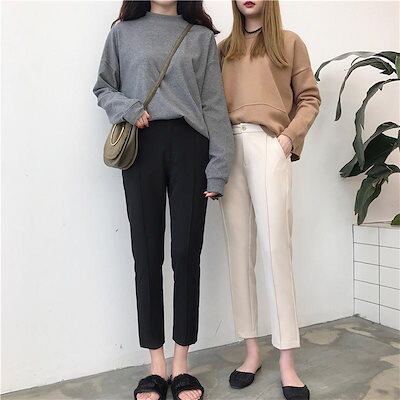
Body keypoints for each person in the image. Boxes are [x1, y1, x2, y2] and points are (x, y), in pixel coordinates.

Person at [93, 1, 234, 399]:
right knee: (147, 253)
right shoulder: (123, 32)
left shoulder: (201, 37)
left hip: (191, 147)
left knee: (187, 253)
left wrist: (218, 168)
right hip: (142, 145)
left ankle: (182, 364)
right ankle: (156, 366)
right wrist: (128, 108)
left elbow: (214, 105)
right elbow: (103, 87)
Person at [219, 1, 320, 399]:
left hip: (269, 145)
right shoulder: (223, 50)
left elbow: (309, 97)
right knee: (238, 251)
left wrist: (286, 140)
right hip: (228, 149)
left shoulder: (289, 43)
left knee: (276, 249)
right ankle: (251, 352)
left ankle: (287, 361)